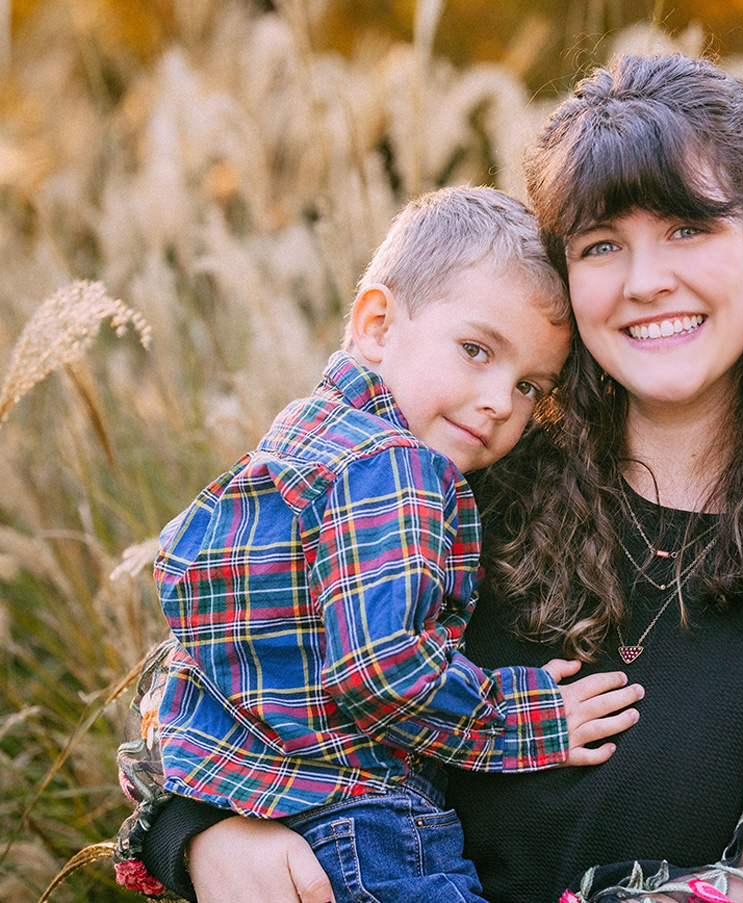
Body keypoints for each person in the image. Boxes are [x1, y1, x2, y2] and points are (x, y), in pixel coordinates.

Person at [113, 54, 743, 903]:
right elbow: (209, 657)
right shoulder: (470, 463)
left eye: (687, 228)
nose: (645, 281)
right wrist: (200, 832)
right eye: (603, 244)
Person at [115, 185, 645, 903]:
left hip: (272, 813)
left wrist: (188, 806)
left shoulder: (298, 438)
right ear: (376, 323)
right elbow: (378, 664)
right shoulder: (400, 467)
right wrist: (528, 717)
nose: (498, 400)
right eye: (475, 349)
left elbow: (200, 642)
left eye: (528, 385)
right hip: (364, 828)